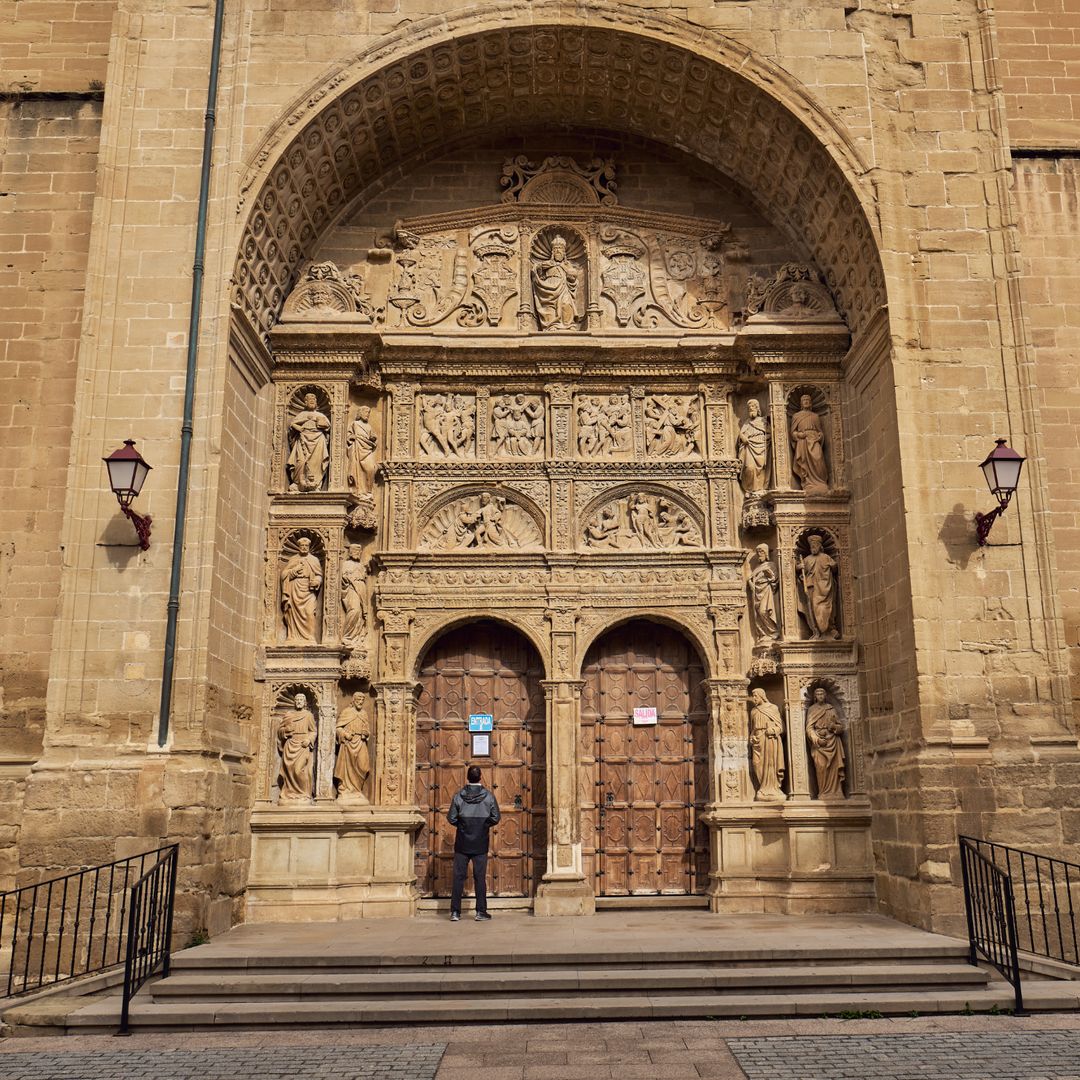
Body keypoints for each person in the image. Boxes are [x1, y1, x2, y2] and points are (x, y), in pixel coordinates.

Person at [447, 764, 500, 922]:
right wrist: (483, 826)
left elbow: (451, 818)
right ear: (480, 777)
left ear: (467, 778)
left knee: (458, 877)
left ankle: (455, 912)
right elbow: (496, 817)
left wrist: (463, 826)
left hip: (462, 842)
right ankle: (481, 912)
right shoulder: (489, 796)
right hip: (480, 842)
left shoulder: (458, 796)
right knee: (479, 877)